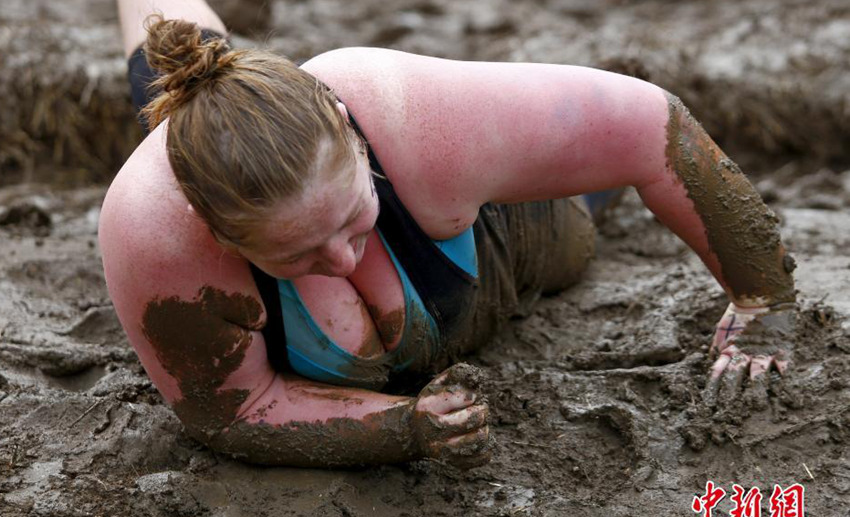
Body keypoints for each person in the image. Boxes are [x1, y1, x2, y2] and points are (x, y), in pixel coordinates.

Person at [99, 0, 796, 468]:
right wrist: (402, 429)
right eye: (296, 253)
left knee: (577, 239)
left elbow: (655, 127)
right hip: (249, 196)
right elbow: (233, 413)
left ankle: (567, 162)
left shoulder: (413, 116)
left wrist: (764, 303)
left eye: (348, 221)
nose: (341, 259)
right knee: (195, 105)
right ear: (213, 231)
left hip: (492, 235)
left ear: (349, 129)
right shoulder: (155, 237)